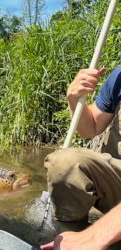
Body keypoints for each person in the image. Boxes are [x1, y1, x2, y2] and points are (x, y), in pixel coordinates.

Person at [42, 67, 121, 249]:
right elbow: (90, 127)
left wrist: (96, 236)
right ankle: (68, 237)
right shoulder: (119, 77)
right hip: (116, 183)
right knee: (65, 163)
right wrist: (75, 99)